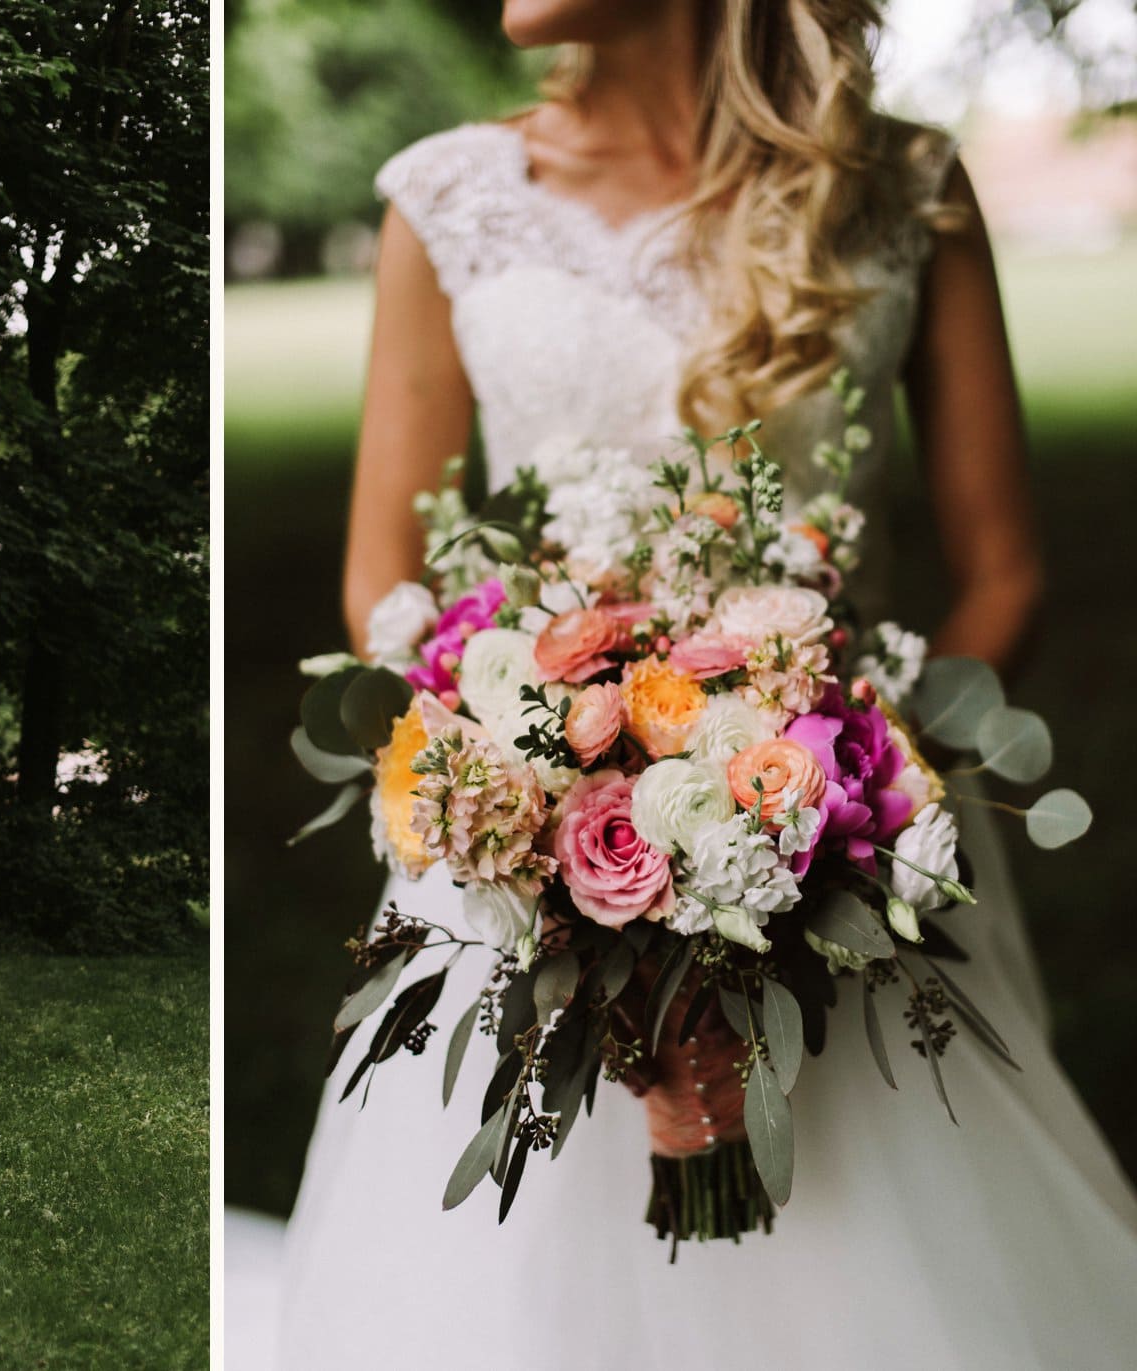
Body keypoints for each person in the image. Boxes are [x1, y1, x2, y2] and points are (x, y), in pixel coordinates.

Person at [272, 2, 1137, 1367]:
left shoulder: (905, 185)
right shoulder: (448, 195)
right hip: (518, 844)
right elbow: (384, 582)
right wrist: (532, 792)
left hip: (847, 842)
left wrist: (839, 794)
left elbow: (1005, 570)